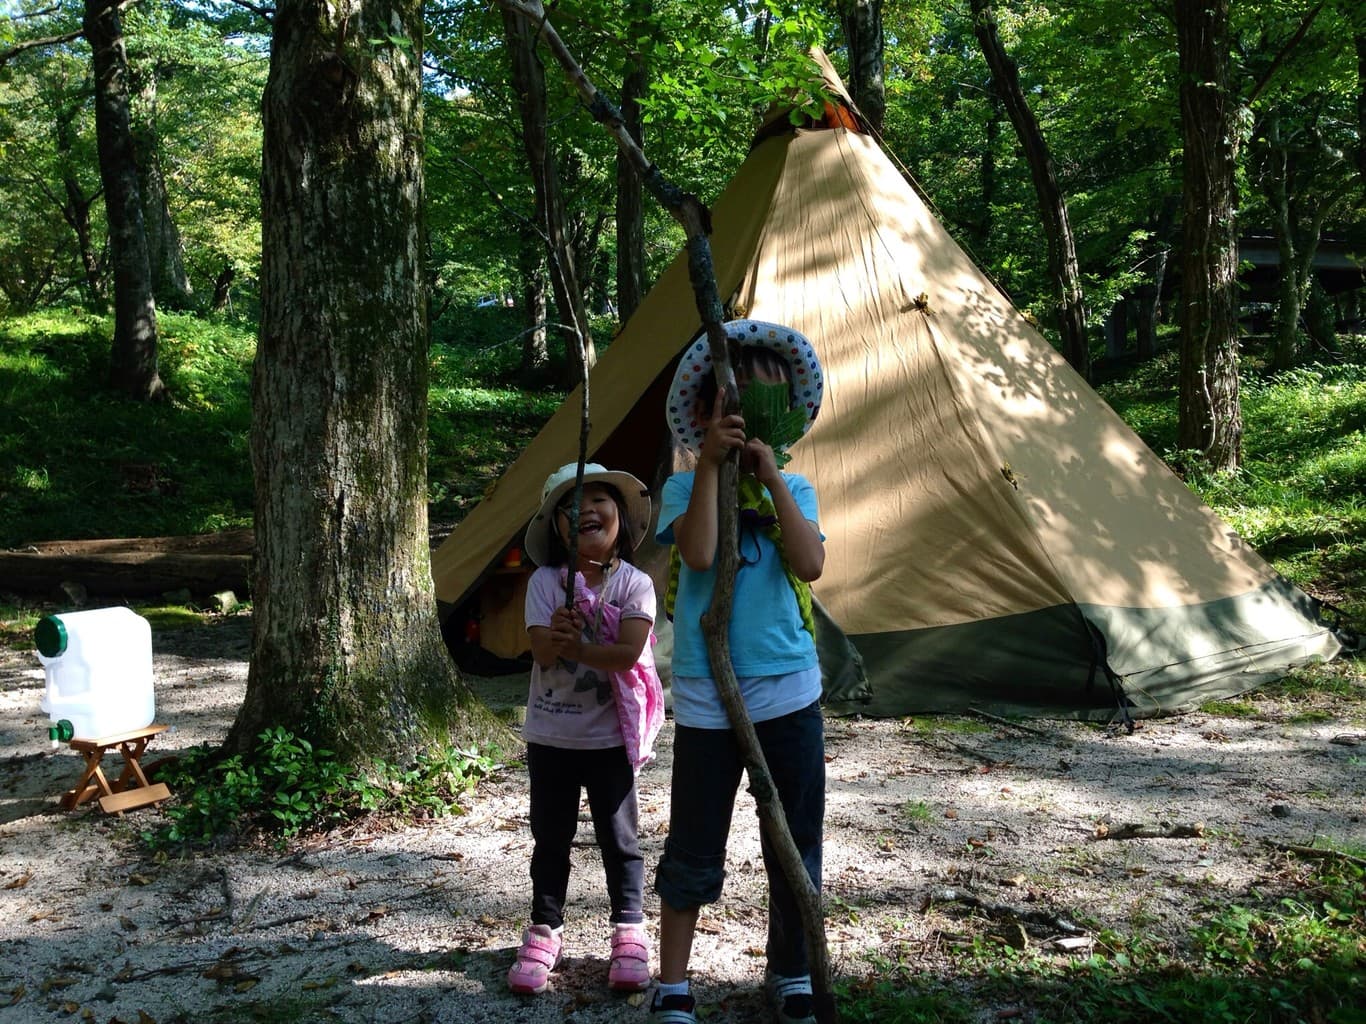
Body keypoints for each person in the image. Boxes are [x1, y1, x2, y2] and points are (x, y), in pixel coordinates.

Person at [650, 320, 827, 1024]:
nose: (751, 426)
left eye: (766, 413)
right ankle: (672, 983)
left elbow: (810, 563)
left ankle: (790, 969)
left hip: (788, 690)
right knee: (694, 839)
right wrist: (715, 474)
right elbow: (696, 556)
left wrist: (771, 477)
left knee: (793, 839)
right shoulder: (679, 490)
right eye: (737, 411)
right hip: (707, 697)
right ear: (704, 417)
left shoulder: (799, 486)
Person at [507, 462, 665, 996]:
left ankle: (629, 931)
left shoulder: (635, 584)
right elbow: (542, 651)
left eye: (598, 499)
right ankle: (544, 929)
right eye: (569, 508)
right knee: (550, 836)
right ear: (556, 529)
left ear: (619, 514)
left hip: (609, 739)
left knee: (620, 839)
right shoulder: (546, 583)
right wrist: (559, 632)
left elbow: (627, 653)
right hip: (551, 738)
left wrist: (581, 646)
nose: (585, 511)